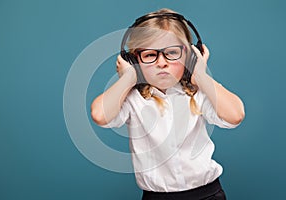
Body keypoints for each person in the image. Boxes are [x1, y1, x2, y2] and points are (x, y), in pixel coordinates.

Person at [91, 8, 245, 200]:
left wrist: (201, 77)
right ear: (134, 59)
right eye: (149, 55)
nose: (161, 63)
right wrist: (128, 78)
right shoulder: (133, 99)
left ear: (189, 56)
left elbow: (235, 115)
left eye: (172, 53)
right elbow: (99, 115)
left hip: (208, 194)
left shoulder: (197, 94)